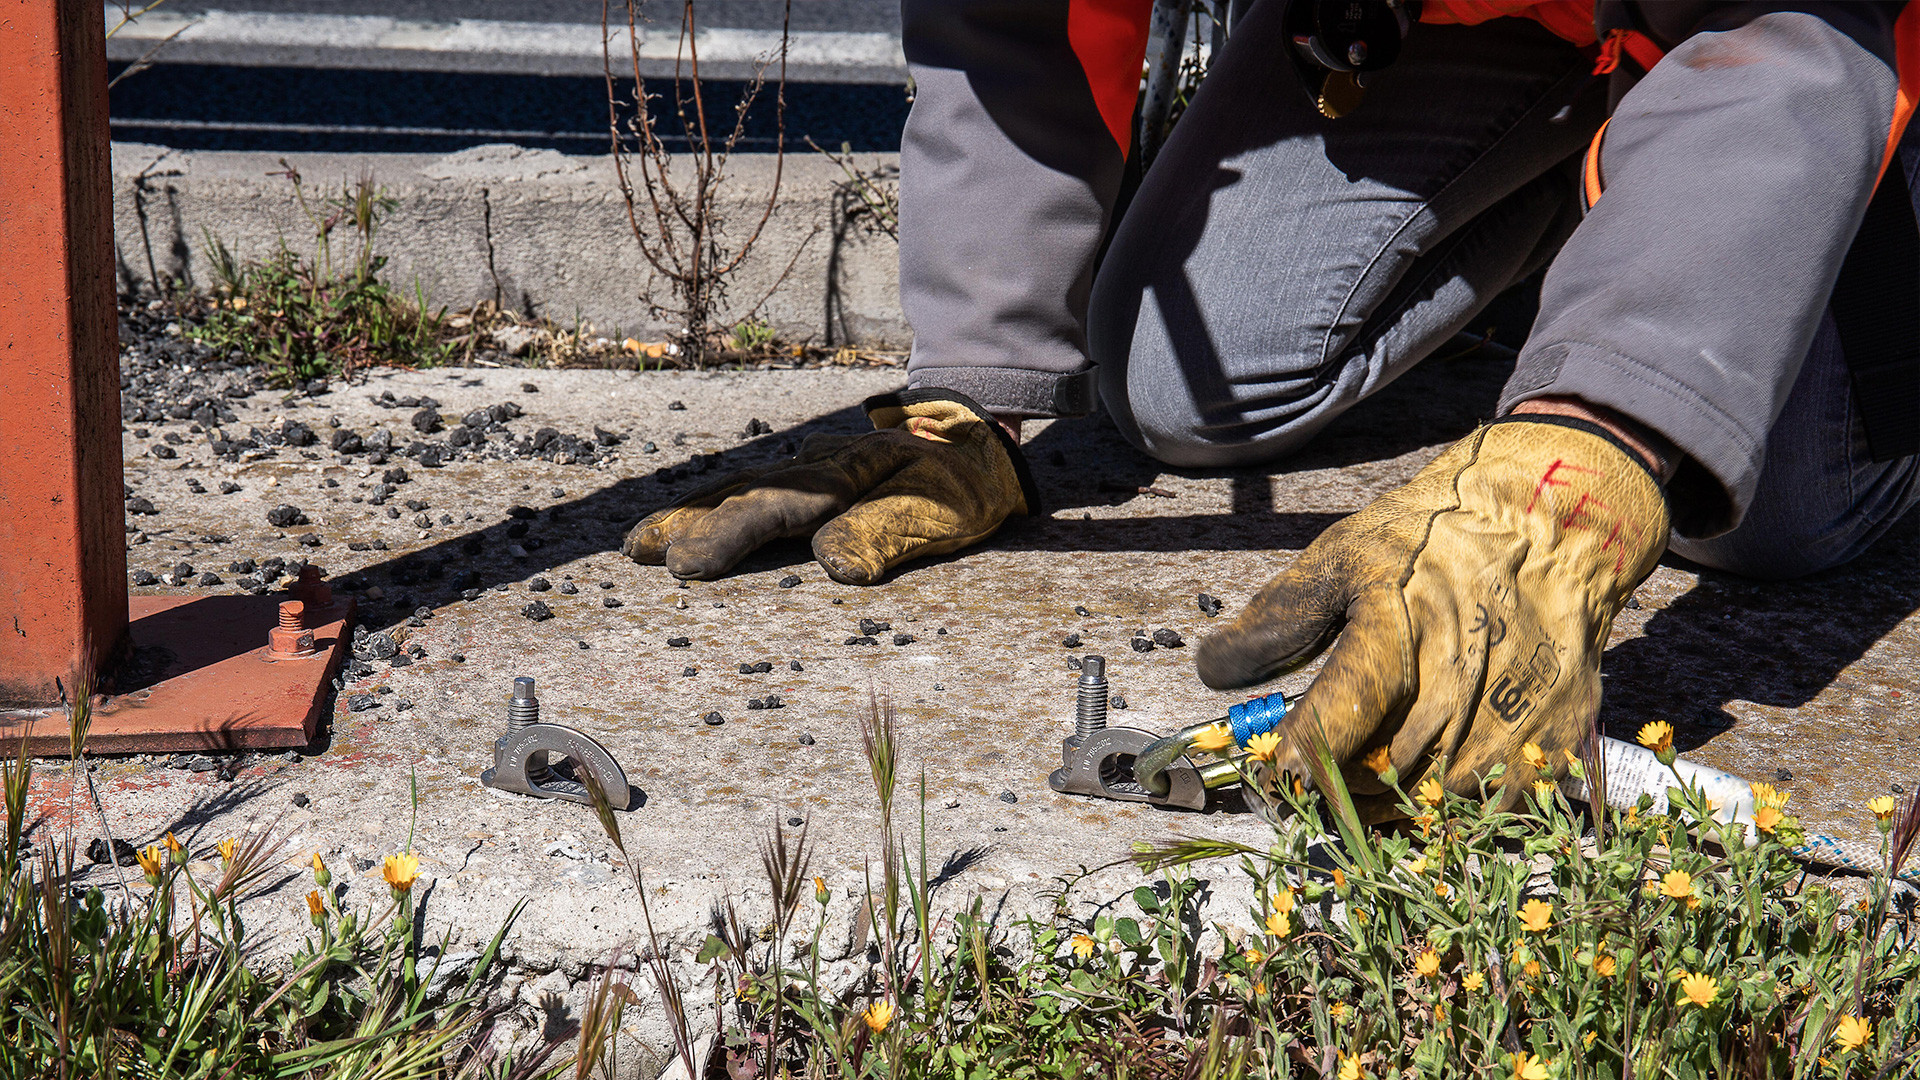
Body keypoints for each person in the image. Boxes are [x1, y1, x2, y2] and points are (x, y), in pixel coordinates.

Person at [624, 0, 1917, 814]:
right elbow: (1018, 24)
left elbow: (1801, 32)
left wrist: (1596, 451)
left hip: (1806, 35)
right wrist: (976, 384)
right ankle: (1606, 196)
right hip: (1482, 22)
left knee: (1760, 522)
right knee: (1184, 387)